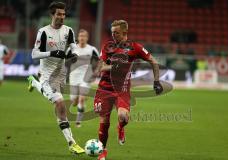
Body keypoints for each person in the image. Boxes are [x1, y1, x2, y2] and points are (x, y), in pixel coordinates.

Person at [93, 20, 163, 160]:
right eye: (112, 32)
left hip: (122, 89)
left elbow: (153, 61)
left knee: (123, 117)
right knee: (104, 121)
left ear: (125, 33)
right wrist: (115, 67)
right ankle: (102, 151)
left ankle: (121, 127)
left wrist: (156, 81)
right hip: (104, 89)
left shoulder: (135, 47)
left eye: (116, 33)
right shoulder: (107, 46)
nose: (113, 35)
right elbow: (99, 69)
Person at [27, 2, 84, 154]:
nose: (62, 17)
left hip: (60, 74)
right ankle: (72, 143)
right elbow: (34, 54)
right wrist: (51, 53)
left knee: (57, 103)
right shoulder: (44, 32)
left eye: (64, 14)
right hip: (46, 74)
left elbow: (73, 47)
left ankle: (33, 82)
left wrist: (74, 54)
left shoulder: (69, 30)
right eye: (59, 14)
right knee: (59, 103)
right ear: (52, 15)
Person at [67, 29, 99, 127]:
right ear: (78, 38)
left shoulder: (92, 49)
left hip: (86, 76)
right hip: (74, 76)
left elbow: (99, 61)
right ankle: (79, 101)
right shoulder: (72, 49)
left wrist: (96, 71)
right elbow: (64, 61)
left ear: (87, 38)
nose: (82, 38)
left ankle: (78, 120)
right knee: (74, 101)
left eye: (84, 36)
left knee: (81, 98)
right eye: (80, 36)